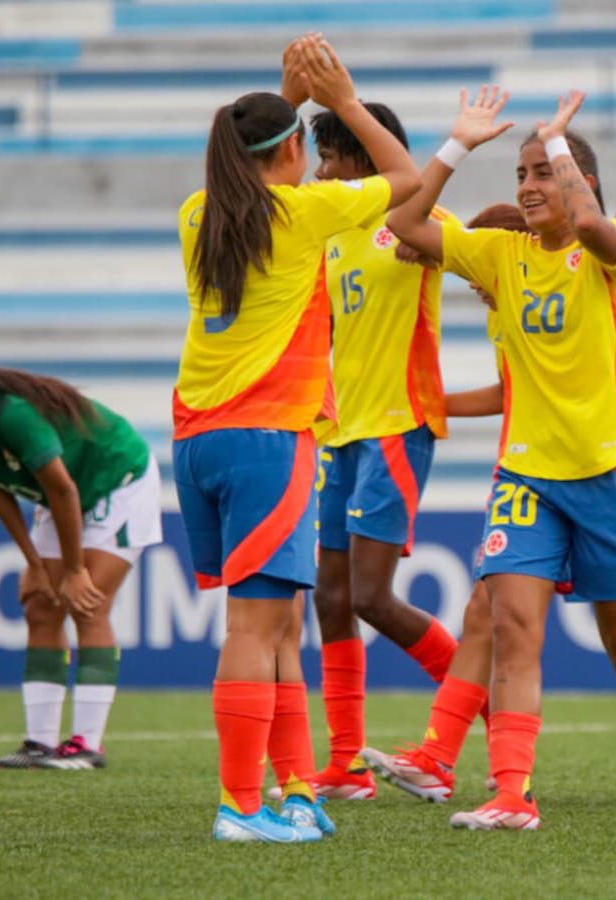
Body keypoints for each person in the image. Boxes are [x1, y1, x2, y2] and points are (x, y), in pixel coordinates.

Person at [386, 89, 616, 830]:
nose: (526, 186)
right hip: (526, 476)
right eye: (521, 174)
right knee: (513, 628)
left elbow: (587, 219)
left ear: (574, 179)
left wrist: (555, 138)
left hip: (613, 473)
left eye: (541, 172)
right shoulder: (501, 254)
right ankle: (512, 793)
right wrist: (457, 147)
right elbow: (403, 223)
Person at [171, 34, 420, 842]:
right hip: (266, 437)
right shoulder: (303, 213)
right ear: (291, 153)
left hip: (199, 437)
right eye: (304, 146)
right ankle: (240, 806)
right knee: (257, 628)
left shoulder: (197, 214)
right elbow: (406, 178)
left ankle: (293, 789)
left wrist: (288, 103)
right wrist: (342, 100)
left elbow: (241, 149)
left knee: (275, 624)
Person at [301, 101, 460, 801]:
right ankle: (346, 765)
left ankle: (473, 704)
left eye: (329, 156)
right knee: (331, 600)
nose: (318, 170)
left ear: (363, 159)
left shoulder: (419, 223)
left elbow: (488, 263)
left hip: (398, 424)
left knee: (370, 596)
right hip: (341, 432)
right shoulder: (331, 236)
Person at [0, 344, 162, 772]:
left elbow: (64, 490)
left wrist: (74, 570)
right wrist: (32, 561)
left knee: (89, 603)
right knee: (40, 606)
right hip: (59, 495)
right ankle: (39, 744)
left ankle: (86, 745)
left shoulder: (16, 418)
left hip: (115, 481)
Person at [362, 203, 532, 803]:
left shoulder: (549, 297)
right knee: (483, 612)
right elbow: (515, 390)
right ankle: (438, 757)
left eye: (475, 271)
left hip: (596, 473)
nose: (473, 285)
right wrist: (436, 401)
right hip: (530, 474)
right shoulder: (506, 311)